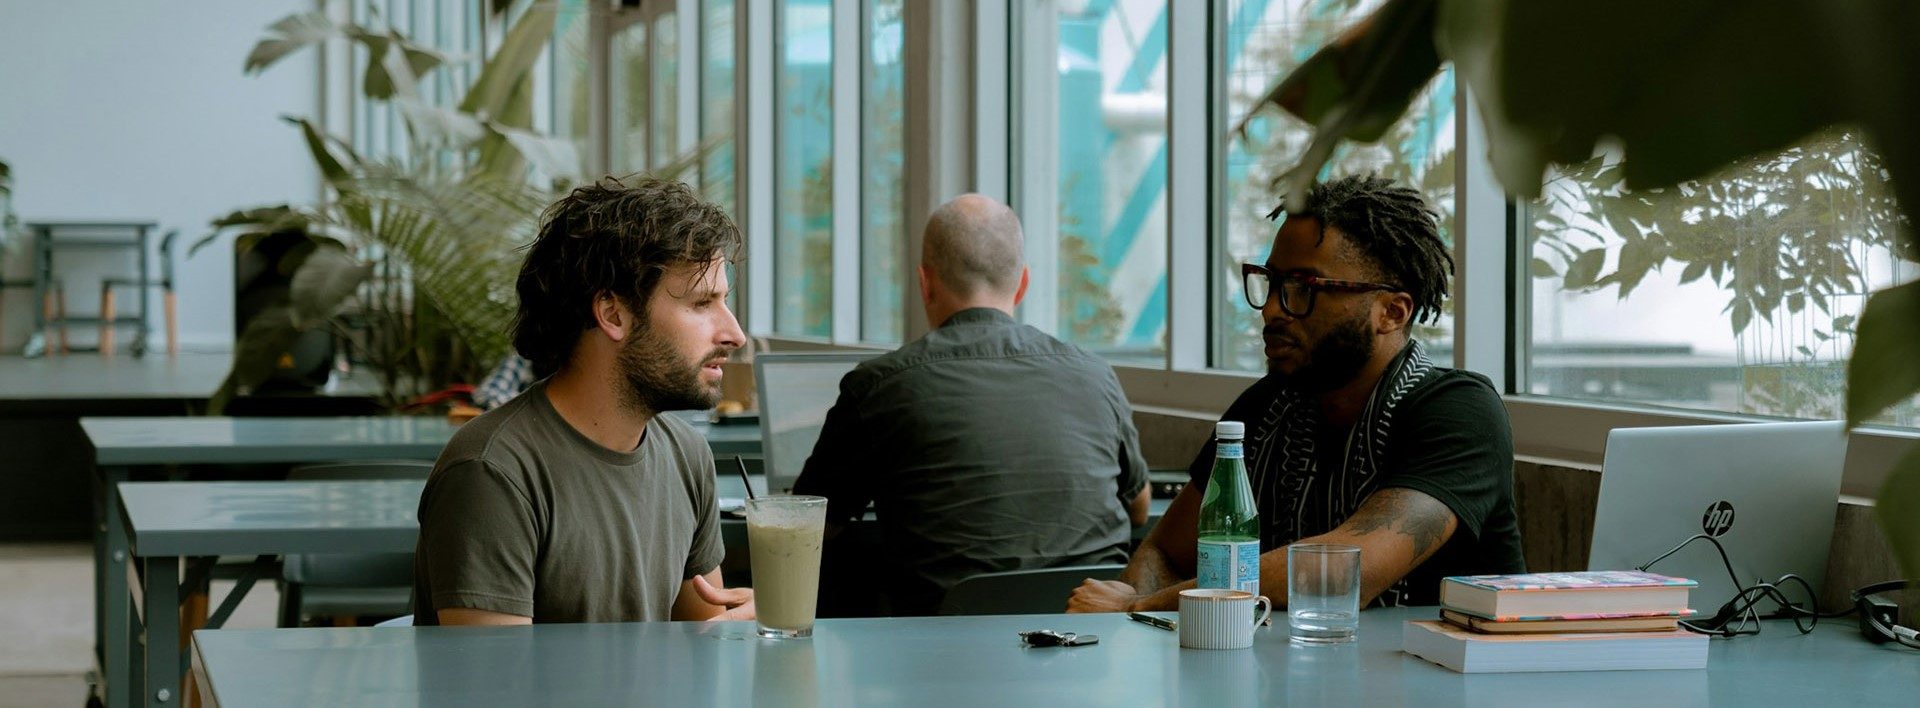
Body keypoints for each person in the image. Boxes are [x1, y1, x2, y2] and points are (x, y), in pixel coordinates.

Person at [1068, 174, 1525, 613]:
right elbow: (1167, 553)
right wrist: (1126, 614)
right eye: (1271, 283)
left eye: (1303, 288)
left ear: (1391, 312)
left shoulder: (1459, 410)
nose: (1271, 309)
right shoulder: (1267, 405)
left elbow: (1348, 567)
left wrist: (1143, 604)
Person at [412, 176, 756, 625]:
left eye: (724, 301)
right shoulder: (493, 472)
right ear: (613, 314)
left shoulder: (686, 455)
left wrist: (733, 631)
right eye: (701, 304)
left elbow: (695, 636)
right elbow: (495, 686)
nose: (734, 334)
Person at [793, 194, 1151, 616]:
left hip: (943, 653)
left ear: (925, 284)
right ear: (1022, 284)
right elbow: (1139, 505)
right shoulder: (1095, 373)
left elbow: (807, 525)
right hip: (1092, 641)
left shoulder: (880, 386)